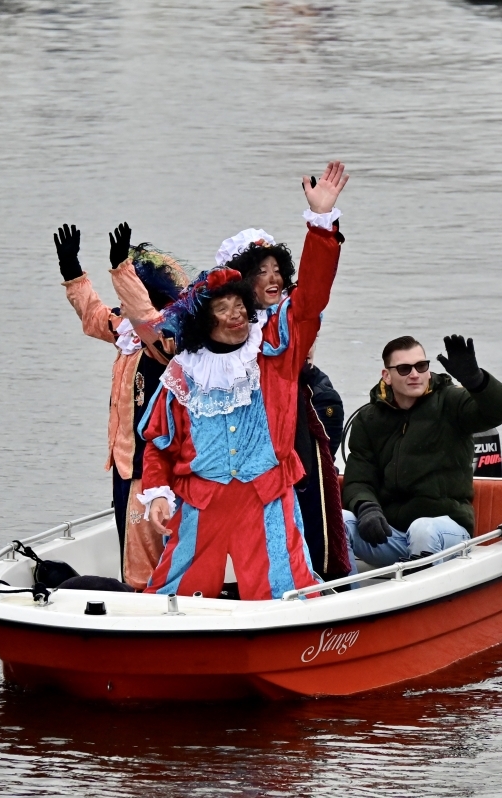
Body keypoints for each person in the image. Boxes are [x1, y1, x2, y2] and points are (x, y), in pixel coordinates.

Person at [138, 161, 349, 601]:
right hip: (200, 504)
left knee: (286, 595)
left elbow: (311, 296)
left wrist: (321, 224)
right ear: (206, 320)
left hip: (267, 498)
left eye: (240, 306)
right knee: (173, 598)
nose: (236, 315)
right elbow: (160, 443)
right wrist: (158, 495)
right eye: (224, 309)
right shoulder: (184, 372)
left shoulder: (273, 348)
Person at [53, 221, 188, 589]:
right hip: (125, 464)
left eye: (128, 292)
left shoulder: (166, 342)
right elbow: (95, 315)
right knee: (132, 547)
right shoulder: (126, 333)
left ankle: (148, 603)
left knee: (145, 558)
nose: (123, 305)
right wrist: (72, 272)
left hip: (152, 464)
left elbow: (146, 316)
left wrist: (121, 269)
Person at [228, 233, 351, 583]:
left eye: (277, 270)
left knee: (295, 547)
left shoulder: (287, 324)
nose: (274, 278)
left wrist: (321, 228)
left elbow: (312, 293)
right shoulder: (219, 332)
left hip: (283, 456)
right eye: (261, 270)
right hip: (231, 461)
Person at [342, 335, 502, 567]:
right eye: (404, 369)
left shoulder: (451, 401)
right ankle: (346, 590)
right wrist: (367, 508)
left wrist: (476, 381)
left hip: (446, 531)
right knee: (340, 522)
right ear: (387, 376)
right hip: (392, 534)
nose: (415, 374)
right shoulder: (368, 419)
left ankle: (420, 590)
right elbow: (358, 479)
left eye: (421, 366)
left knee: (422, 529)